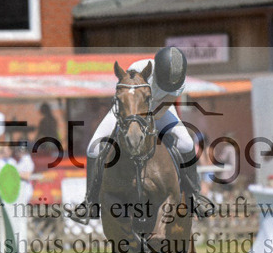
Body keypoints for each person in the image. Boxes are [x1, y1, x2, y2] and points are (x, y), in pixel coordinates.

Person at [70, 46, 214, 223]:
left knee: (186, 143)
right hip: (129, 111)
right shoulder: (138, 68)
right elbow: (126, 96)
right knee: (94, 145)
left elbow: (165, 105)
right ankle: (90, 202)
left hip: (158, 110)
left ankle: (195, 196)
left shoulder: (179, 80)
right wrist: (134, 119)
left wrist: (148, 122)